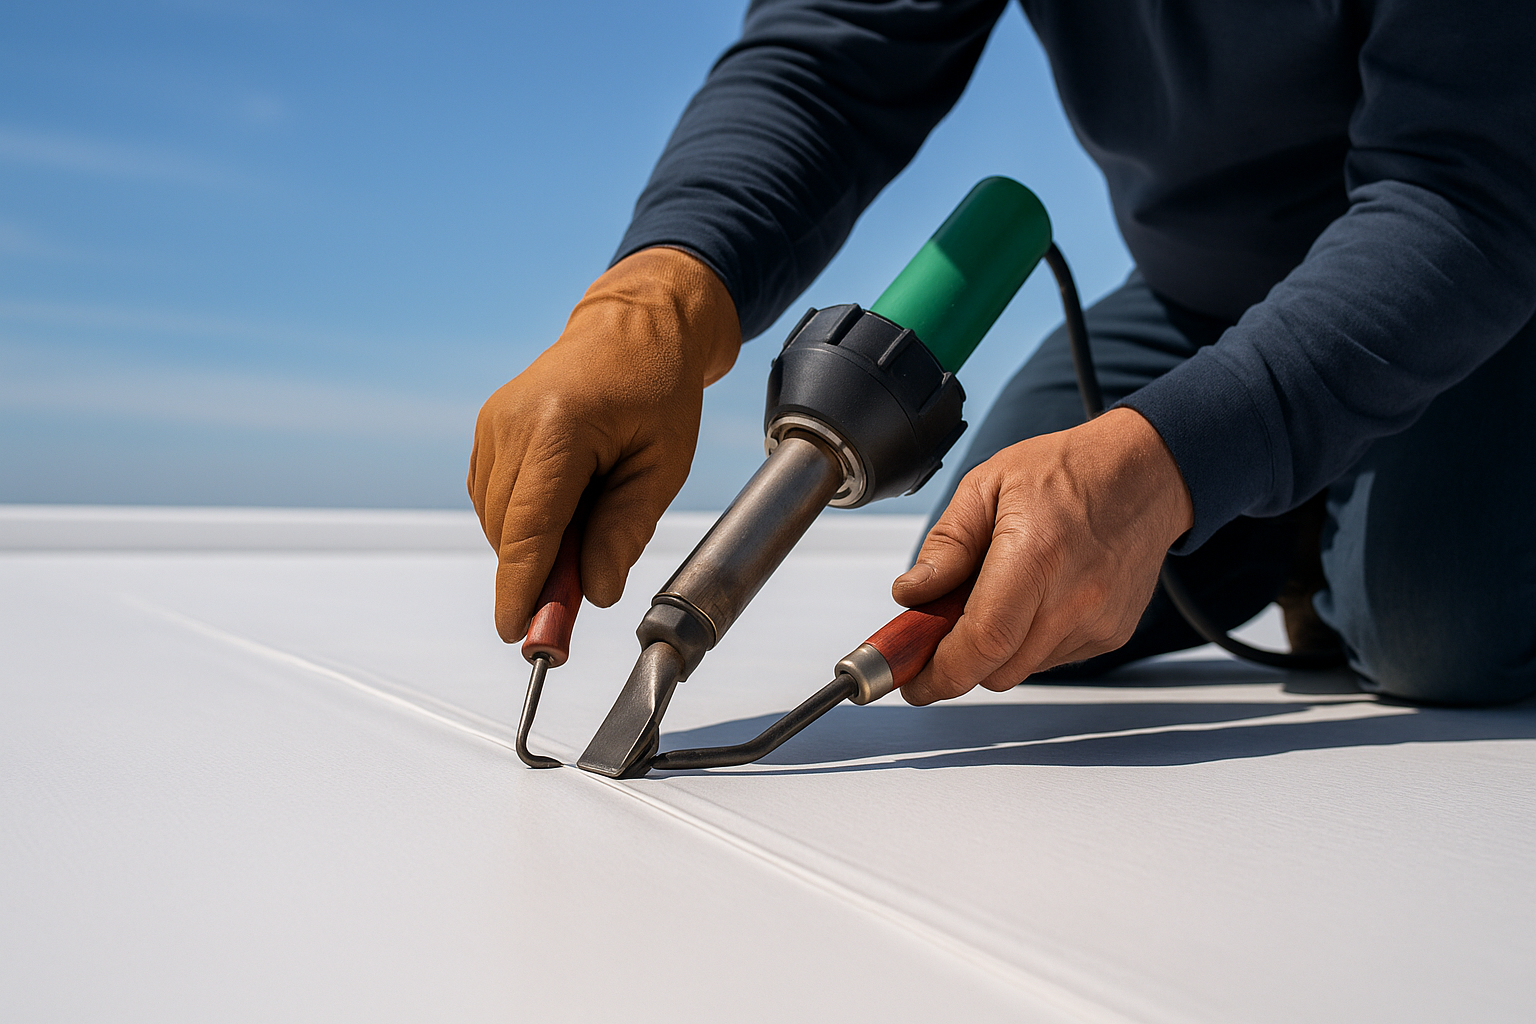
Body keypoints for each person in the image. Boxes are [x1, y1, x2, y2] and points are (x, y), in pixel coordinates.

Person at [469, 0, 1536, 708]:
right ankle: (1297, 505)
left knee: (1433, 625)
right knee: (991, 578)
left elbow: (1464, 189)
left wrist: (1173, 464)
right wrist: (644, 307)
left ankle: (1330, 512)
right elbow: (832, 54)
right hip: (1200, 296)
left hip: (1485, 285)